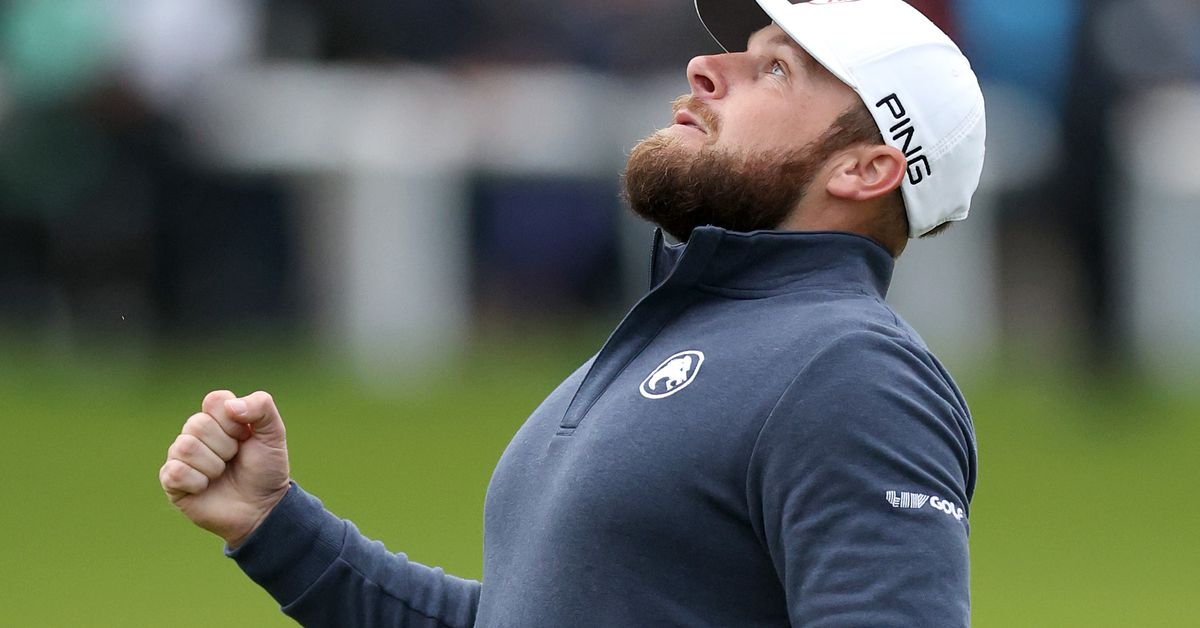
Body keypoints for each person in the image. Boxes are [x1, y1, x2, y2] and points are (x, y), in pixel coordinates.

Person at [159, 0, 985, 625]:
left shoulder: (852, 372)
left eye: (775, 70)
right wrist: (275, 527)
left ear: (865, 169)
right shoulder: (691, 332)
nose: (705, 67)